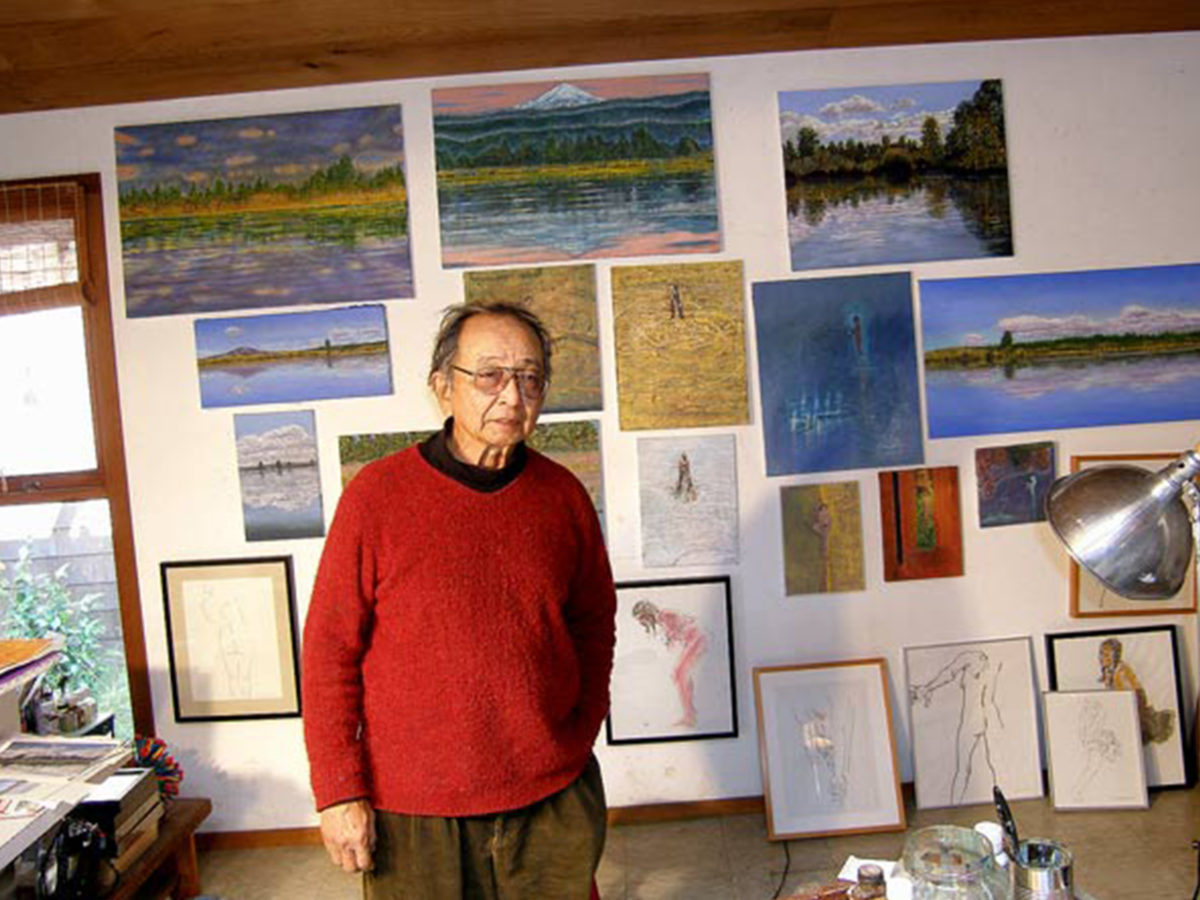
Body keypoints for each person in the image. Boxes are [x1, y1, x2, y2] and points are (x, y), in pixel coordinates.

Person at [302, 301, 616, 899]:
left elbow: (594, 624)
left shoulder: (563, 497)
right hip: (415, 810)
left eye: (529, 377)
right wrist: (339, 790)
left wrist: (578, 730)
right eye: (490, 374)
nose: (512, 395)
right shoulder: (377, 497)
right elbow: (328, 653)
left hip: (550, 796)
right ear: (443, 388)